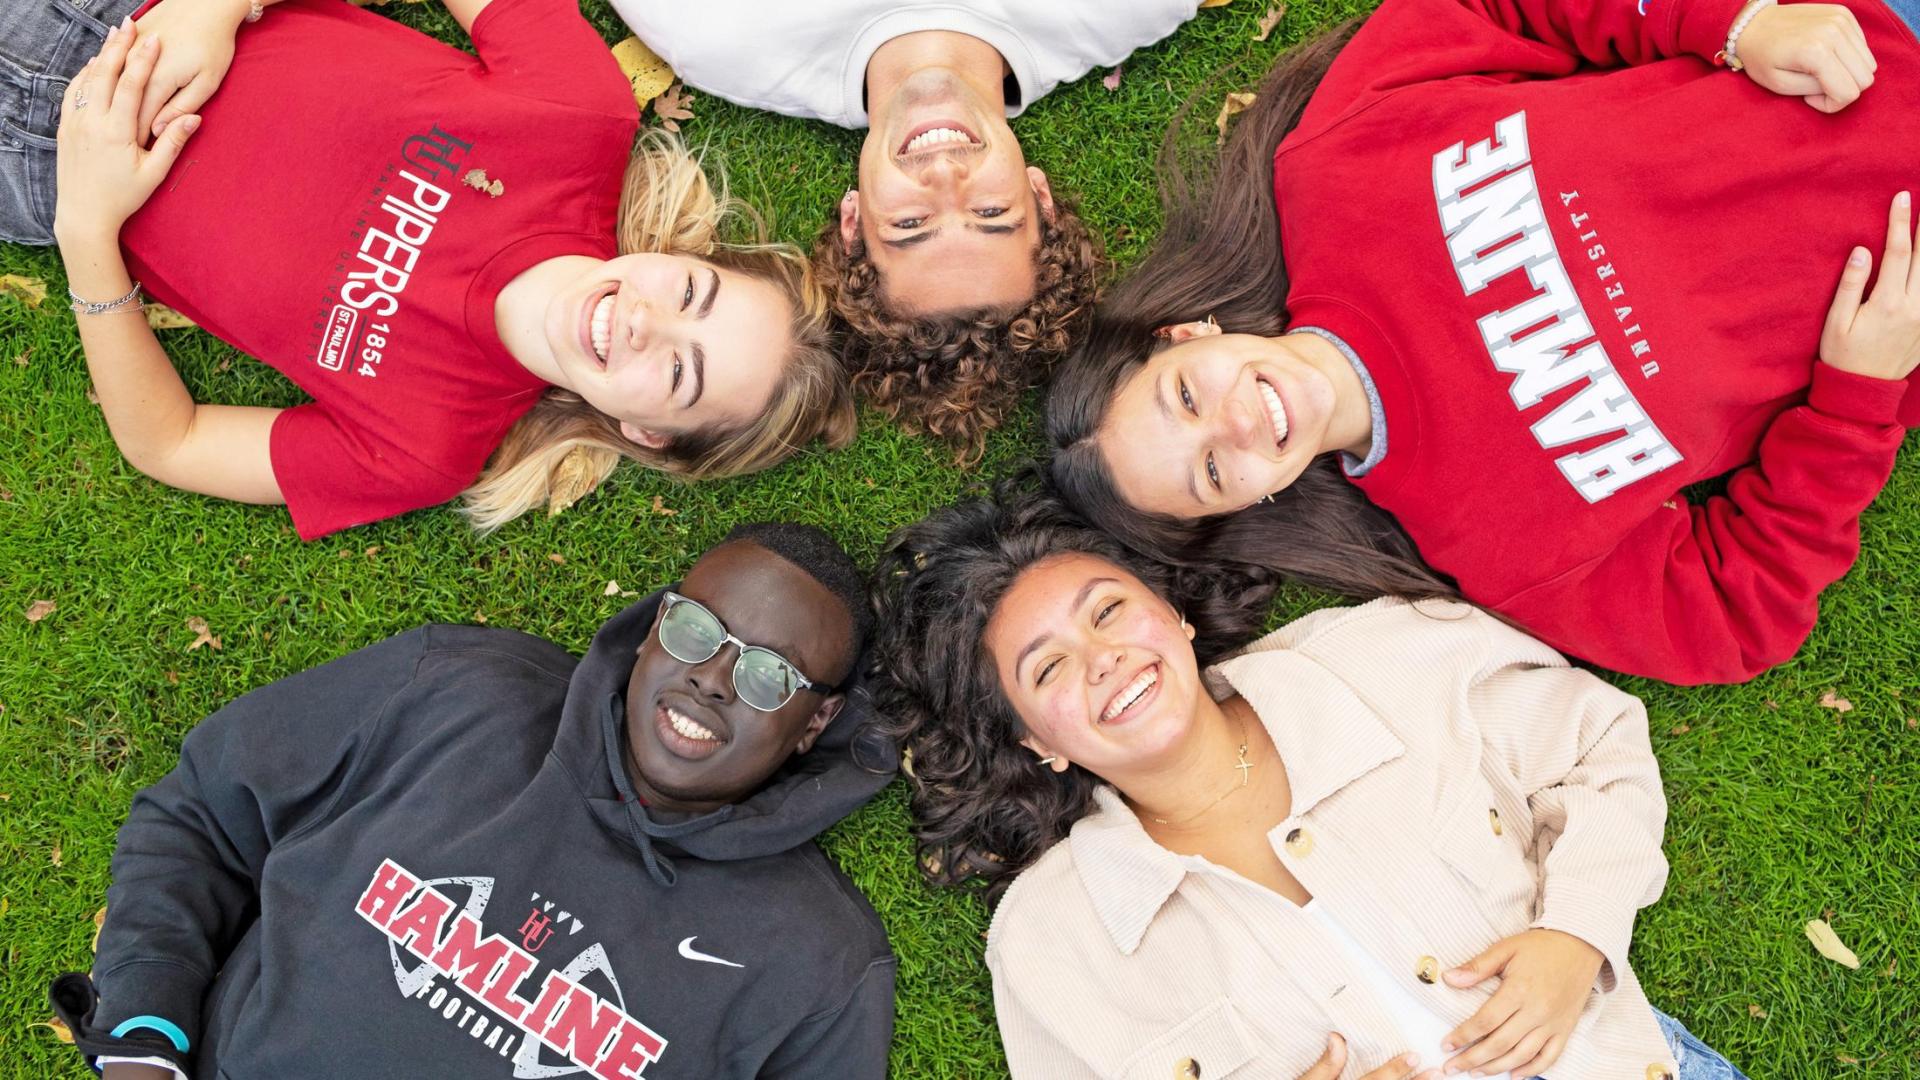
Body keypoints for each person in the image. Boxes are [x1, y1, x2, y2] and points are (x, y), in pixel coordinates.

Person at [1045, 0, 1920, 684]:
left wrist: (1736, 24)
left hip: (1875, 47)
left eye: (1186, 395)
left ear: (1189, 334)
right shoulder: (1494, 546)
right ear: (1245, 505)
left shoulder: (1331, 170)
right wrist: (1857, 400)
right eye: (1210, 473)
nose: (1232, 424)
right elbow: (1733, 615)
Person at [868, 488, 1749, 1080]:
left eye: (1108, 611)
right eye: (1049, 668)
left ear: (1172, 615)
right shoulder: (1053, 945)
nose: (1105, 661)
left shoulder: (1386, 658)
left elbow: (1598, 745)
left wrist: (1576, 935)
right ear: (1034, 740)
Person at [49, 523, 898, 1080]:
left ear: (815, 720)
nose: (712, 678)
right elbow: (200, 814)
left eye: (765, 674)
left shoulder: (816, 963)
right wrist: (144, 1038)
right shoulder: (455, 692)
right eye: (695, 632)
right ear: (653, 629)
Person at [4, 0, 854, 539]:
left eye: (679, 371)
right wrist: (218, 9)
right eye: (691, 294)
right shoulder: (580, 117)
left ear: (647, 434)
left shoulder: (425, 449)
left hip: (34, 168)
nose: (646, 321)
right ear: (678, 258)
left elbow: (171, 443)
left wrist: (85, 225)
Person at [609, 1, 1200, 453]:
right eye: (991, 214)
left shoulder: (717, 33)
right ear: (1040, 198)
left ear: (853, 222)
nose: (944, 174)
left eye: (912, 223)